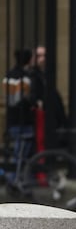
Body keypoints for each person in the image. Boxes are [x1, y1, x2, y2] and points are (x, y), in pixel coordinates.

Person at [3, 48, 35, 179]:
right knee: (21, 153)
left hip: (12, 119)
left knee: (18, 151)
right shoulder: (26, 78)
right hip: (23, 119)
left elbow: (10, 99)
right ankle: (13, 178)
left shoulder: (9, 75)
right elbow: (21, 100)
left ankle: (16, 177)